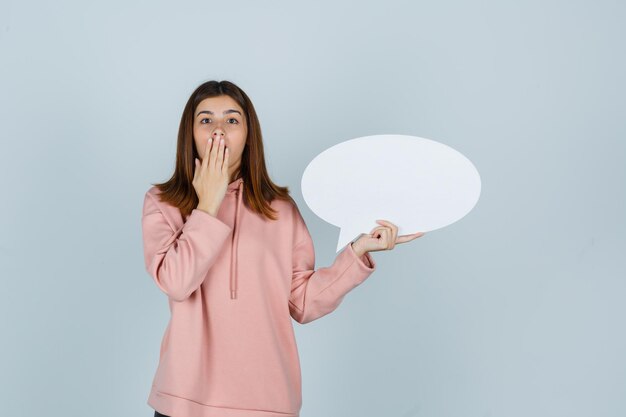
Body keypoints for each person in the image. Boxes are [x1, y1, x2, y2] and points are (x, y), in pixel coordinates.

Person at [142, 80, 425, 417]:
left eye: (232, 120)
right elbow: (176, 282)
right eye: (206, 120)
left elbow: (302, 302)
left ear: (249, 134)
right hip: (184, 400)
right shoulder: (163, 202)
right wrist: (208, 203)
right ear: (189, 133)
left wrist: (357, 251)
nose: (219, 130)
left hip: (267, 401)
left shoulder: (279, 209)